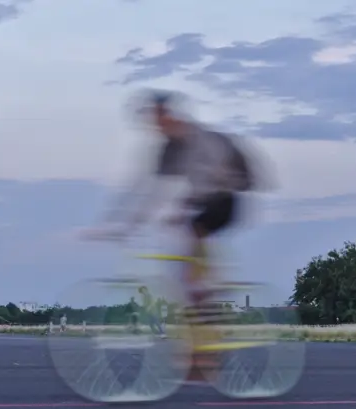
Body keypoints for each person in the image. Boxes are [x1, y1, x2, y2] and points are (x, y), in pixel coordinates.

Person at [82, 90, 263, 309]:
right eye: (153, 121)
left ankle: (212, 282)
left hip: (229, 196)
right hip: (207, 198)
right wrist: (122, 224)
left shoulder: (199, 139)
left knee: (195, 231)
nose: (156, 126)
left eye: (159, 118)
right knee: (183, 261)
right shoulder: (170, 148)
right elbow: (146, 188)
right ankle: (202, 307)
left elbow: (218, 175)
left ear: (170, 115)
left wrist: (138, 221)